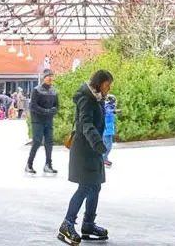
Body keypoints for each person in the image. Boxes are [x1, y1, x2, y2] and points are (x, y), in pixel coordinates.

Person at [58, 69, 114, 245]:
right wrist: (98, 143)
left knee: (95, 187)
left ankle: (88, 224)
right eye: (107, 84)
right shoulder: (87, 99)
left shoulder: (97, 99)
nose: (109, 88)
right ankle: (67, 224)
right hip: (84, 150)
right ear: (99, 83)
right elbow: (86, 125)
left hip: (92, 151)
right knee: (85, 187)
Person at [25, 69, 59, 175]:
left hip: (48, 120)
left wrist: (53, 111)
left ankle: (48, 164)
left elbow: (57, 106)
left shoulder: (54, 91)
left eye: (51, 76)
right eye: (48, 76)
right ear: (44, 78)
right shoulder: (36, 90)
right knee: (37, 141)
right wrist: (45, 111)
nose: (50, 78)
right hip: (38, 120)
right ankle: (29, 164)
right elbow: (33, 106)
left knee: (49, 141)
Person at [102, 94, 118, 168]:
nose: (115, 103)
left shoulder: (109, 106)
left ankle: (104, 158)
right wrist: (114, 111)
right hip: (106, 129)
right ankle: (103, 158)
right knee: (108, 145)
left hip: (108, 129)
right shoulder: (106, 106)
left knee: (106, 145)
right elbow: (107, 111)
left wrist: (114, 111)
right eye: (114, 101)